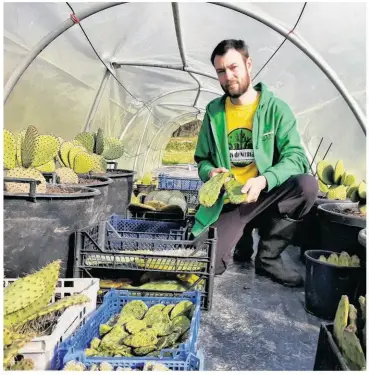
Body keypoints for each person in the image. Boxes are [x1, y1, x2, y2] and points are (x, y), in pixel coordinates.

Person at [191, 39, 318, 287]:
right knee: (210, 267)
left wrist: (264, 179)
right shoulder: (214, 112)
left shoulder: (276, 109)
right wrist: (210, 172)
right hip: (231, 201)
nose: (228, 76)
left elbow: (297, 157)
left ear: (248, 64)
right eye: (221, 71)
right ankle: (242, 237)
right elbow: (202, 159)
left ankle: (268, 257)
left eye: (234, 67)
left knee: (307, 186)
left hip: (267, 195)